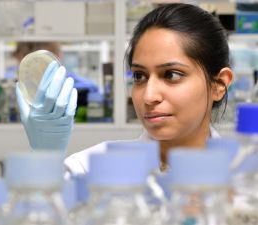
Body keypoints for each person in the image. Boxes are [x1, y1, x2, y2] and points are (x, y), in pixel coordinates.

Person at [16, 3, 234, 177]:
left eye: (171, 75)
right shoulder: (89, 169)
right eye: (139, 76)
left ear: (219, 84)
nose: (149, 96)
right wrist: (47, 160)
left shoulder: (244, 177)